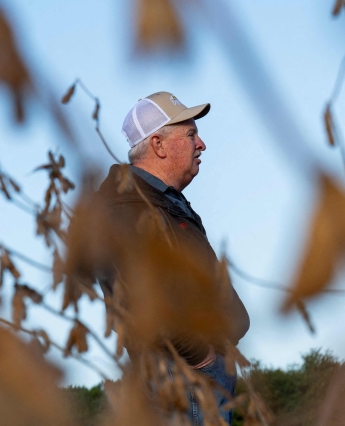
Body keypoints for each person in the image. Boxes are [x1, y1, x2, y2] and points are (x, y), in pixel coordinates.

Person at [95, 91, 250, 425]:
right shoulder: (127, 209)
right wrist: (201, 357)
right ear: (159, 145)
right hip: (184, 379)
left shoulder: (163, 202)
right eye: (191, 135)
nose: (202, 144)